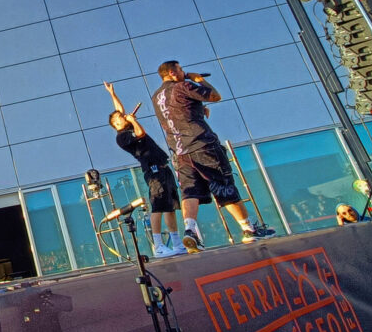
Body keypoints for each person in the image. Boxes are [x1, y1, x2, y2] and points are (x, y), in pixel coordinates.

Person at [151, 61, 275, 252]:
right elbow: (215, 96)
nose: (184, 72)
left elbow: (179, 113)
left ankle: (190, 230)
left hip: (179, 150)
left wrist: (199, 109)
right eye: (181, 69)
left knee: (190, 191)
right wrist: (200, 80)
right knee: (223, 184)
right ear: (172, 72)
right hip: (202, 144)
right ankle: (248, 228)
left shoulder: (156, 96)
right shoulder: (183, 85)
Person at [104, 81, 187, 257]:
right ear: (116, 124)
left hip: (164, 168)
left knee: (170, 207)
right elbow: (140, 133)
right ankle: (158, 246)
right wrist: (133, 121)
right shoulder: (123, 136)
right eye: (120, 118)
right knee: (157, 206)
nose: (124, 116)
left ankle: (177, 243)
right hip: (153, 171)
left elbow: (120, 110)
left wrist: (112, 94)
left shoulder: (126, 125)